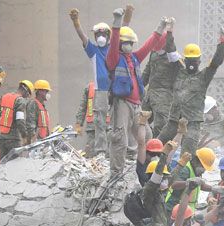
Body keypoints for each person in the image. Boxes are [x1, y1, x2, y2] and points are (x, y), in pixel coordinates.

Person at [105, 7, 170, 177]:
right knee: (120, 138)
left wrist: (160, 27)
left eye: (131, 43)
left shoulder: (133, 58)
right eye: (127, 43)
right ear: (120, 44)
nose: (130, 46)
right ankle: (116, 174)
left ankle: (148, 168)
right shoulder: (113, 58)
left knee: (147, 136)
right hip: (122, 104)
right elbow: (112, 44)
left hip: (136, 106)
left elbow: (149, 46)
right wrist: (117, 23)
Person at [156, 30, 224, 159]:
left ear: (199, 61)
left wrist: (222, 42)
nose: (192, 63)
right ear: (185, 59)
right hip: (173, 121)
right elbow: (171, 52)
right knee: (157, 145)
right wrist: (170, 32)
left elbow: (216, 62)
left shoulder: (204, 77)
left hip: (192, 123)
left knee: (187, 152)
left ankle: (187, 175)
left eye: (195, 61)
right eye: (189, 60)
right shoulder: (178, 71)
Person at [68, 9, 121, 158]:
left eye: (104, 34)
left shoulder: (114, 49)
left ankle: (115, 152)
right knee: (100, 122)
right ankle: (101, 152)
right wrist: (76, 22)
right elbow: (83, 37)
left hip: (116, 91)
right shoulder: (93, 51)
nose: (101, 37)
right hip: (101, 91)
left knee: (116, 123)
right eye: (98, 34)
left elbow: (120, 35)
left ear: (109, 36)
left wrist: (124, 17)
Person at [140, 25, 180, 137]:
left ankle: (159, 147)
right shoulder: (153, 53)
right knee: (141, 120)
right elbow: (147, 71)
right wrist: (139, 87)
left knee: (161, 123)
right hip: (150, 94)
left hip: (165, 95)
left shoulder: (173, 58)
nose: (158, 51)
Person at [0, 80, 35, 160]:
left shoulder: (5, 96)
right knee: (14, 163)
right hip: (13, 138)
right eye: (28, 95)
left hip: (0, 136)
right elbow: (20, 120)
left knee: (3, 162)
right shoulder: (20, 100)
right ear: (26, 91)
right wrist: (24, 136)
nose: (27, 97)